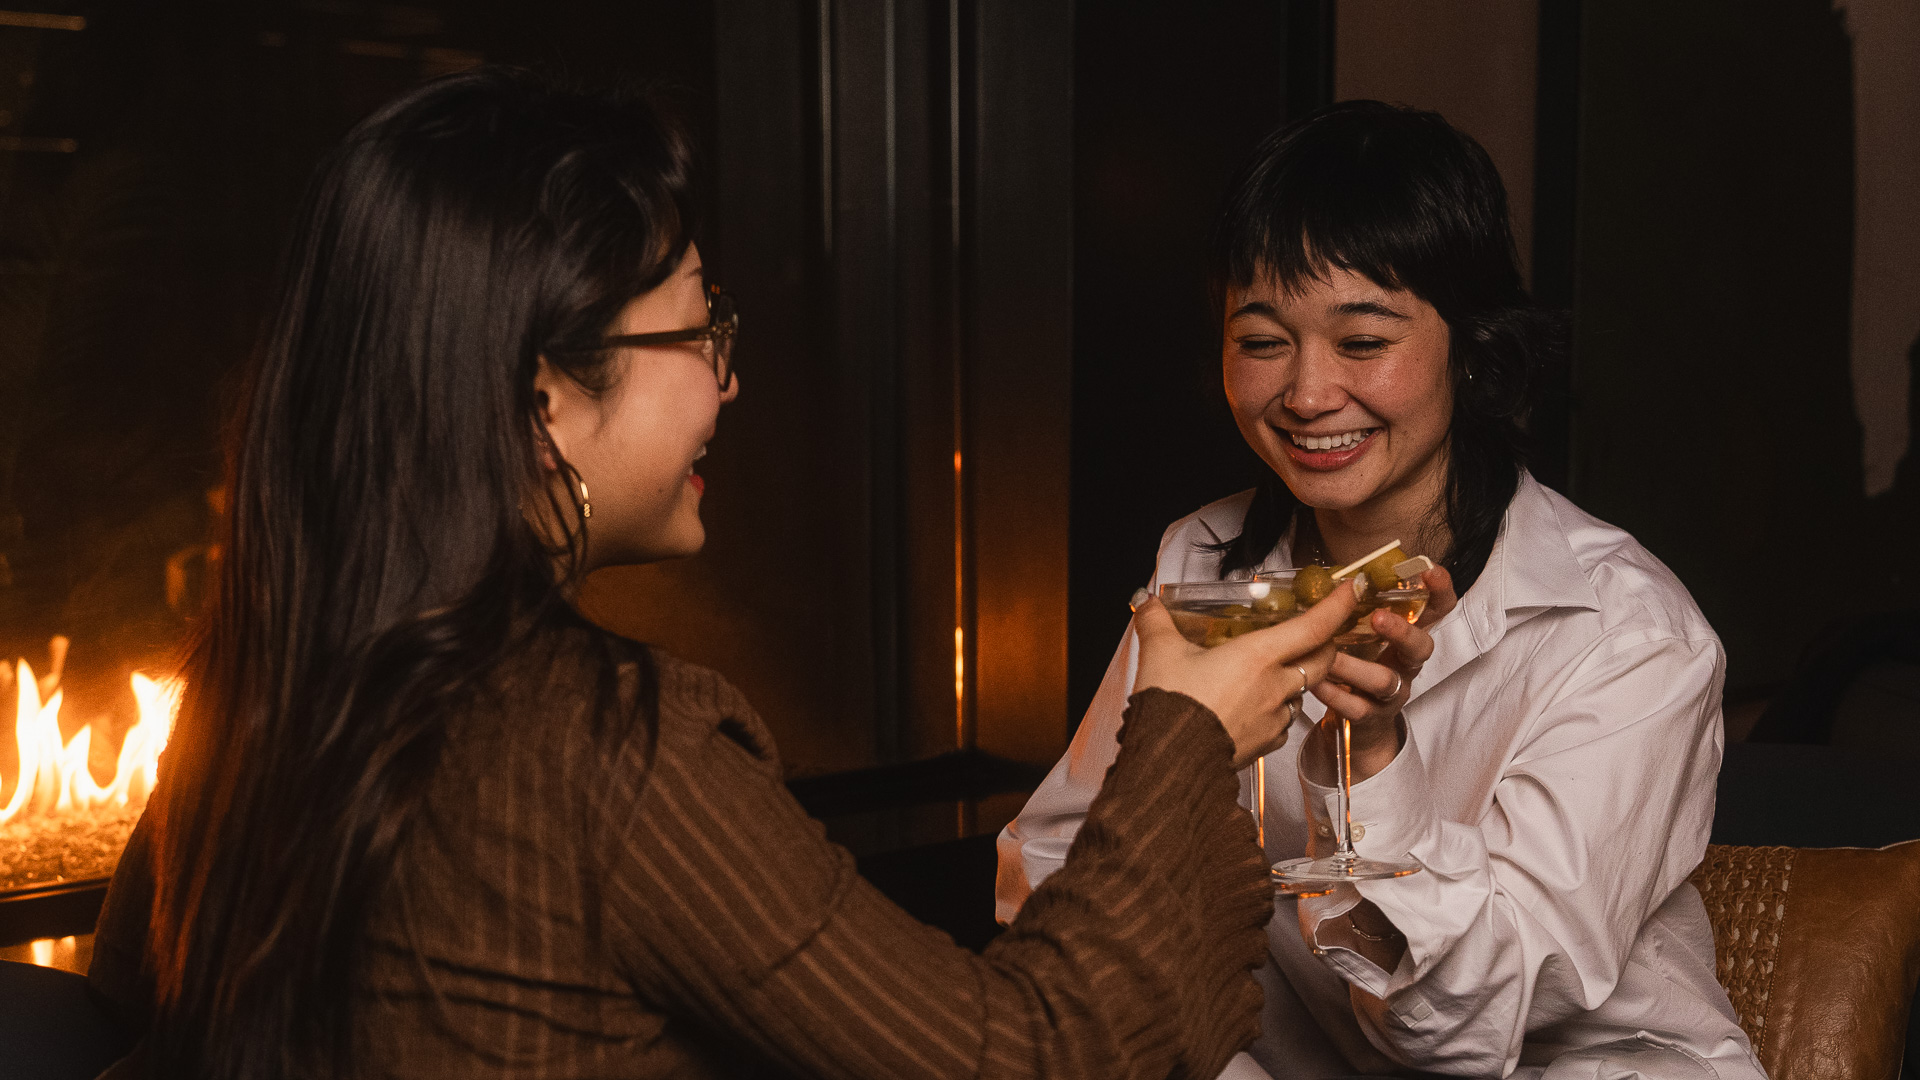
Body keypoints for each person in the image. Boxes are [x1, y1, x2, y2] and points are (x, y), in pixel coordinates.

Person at [82, 68, 1363, 1080]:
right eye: (699, 327)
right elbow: (1033, 1057)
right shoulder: (604, 745)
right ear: (546, 398)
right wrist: (1183, 729)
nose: (729, 380)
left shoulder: (257, 684)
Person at [996, 102, 1766, 1080]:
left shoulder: (1628, 635)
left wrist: (1370, 761)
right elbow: (1057, 876)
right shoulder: (1205, 563)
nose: (1308, 394)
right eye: (1262, 341)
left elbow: (1461, 1031)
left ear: (1472, 348)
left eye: (1362, 343)